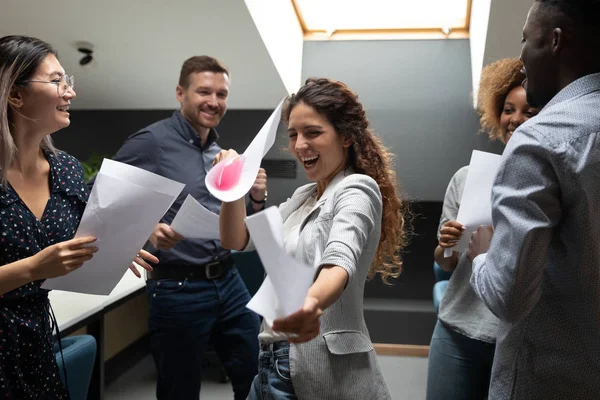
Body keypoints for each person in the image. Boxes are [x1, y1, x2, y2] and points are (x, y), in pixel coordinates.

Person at [218, 77, 409, 399]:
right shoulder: (303, 196)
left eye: (313, 132)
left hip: (316, 363)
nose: (299, 145)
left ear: (346, 136)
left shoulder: (356, 188)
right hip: (271, 358)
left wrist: (310, 303)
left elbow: (339, 259)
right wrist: (232, 186)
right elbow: (236, 239)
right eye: (293, 134)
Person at [0, 35, 155, 399]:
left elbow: (81, 233)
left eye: (68, 81)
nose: (69, 92)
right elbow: (41, 263)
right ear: (14, 94)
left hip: (36, 344)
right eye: (56, 81)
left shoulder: (66, 170)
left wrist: (115, 245)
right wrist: (33, 269)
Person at [108, 55, 264, 399]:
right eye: (204, 92)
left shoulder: (221, 153)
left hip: (228, 279)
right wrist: (147, 228)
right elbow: (102, 197)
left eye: (222, 94)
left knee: (256, 374)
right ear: (181, 93)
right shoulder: (151, 142)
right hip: (178, 288)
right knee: (179, 389)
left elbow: (236, 225)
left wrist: (254, 197)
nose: (214, 101)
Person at [467, 1, 600, 398]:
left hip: (546, 382)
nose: (521, 56)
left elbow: (509, 298)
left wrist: (482, 256)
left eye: (526, 39)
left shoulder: (541, 139)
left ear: (555, 40)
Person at [426, 58, 539, 400]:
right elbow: (446, 262)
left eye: (528, 110)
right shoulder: (467, 177)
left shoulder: (548, 184)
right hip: (456, 329)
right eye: (508, 109)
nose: (515, 119)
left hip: (516, 339)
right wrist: (446, 245)